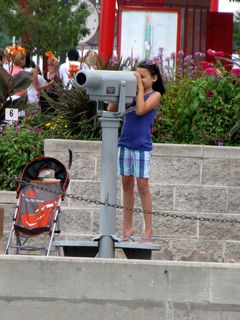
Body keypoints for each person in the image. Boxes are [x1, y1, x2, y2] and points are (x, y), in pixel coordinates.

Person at [108, 60, 165, 242]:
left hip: (142, 146)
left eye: (143, 77)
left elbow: (140, 111)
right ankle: (128, 226)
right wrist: (121, 90)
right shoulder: (131, 94)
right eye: (136, 75)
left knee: (142, 186)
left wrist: (139, 89)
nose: (139, 79)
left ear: (154, 78)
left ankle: (148, 229)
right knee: (126, 185)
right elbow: (110, 109)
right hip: (125, 143)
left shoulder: (154, 95)